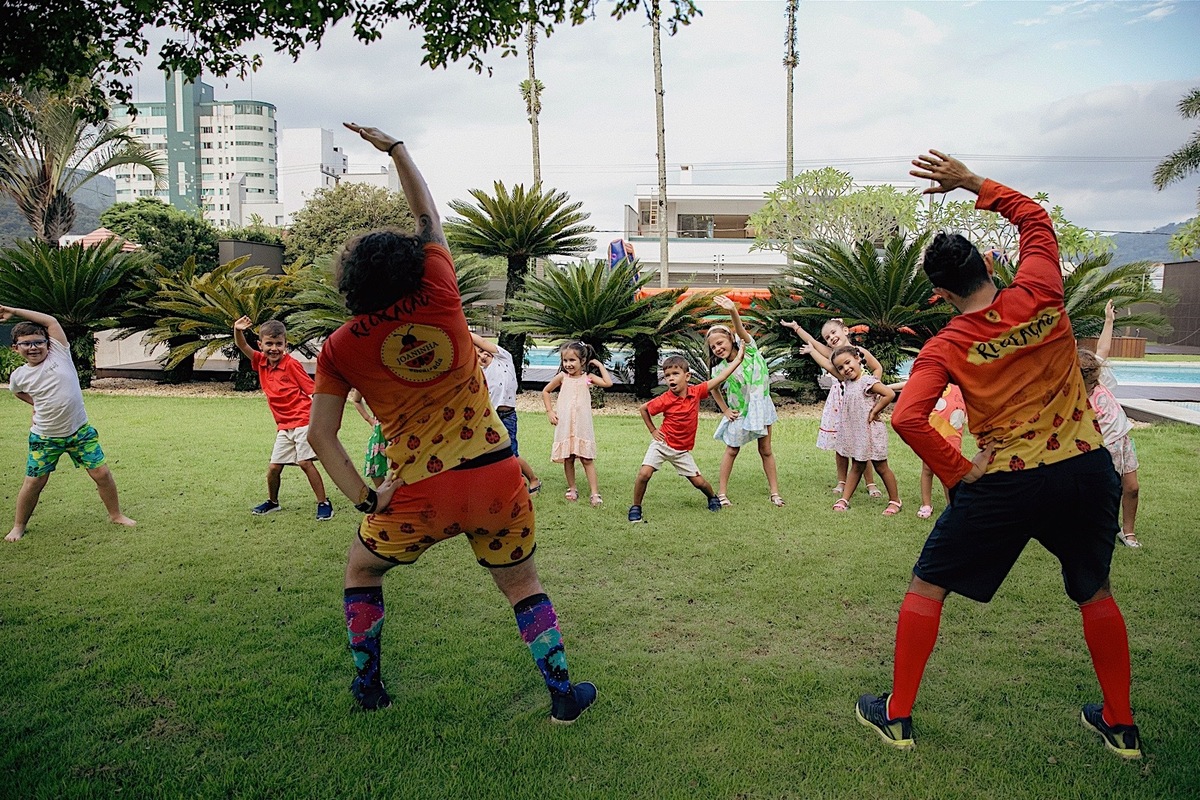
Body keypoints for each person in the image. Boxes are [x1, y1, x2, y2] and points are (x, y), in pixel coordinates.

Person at [854, 151, 1140, 760]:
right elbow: (1035, 218)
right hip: (1086, 469)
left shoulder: (947, 344)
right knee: (1096, 592)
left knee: (928, 586)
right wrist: (969, 182)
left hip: (1006, 480)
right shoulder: (1041, 289)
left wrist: (959, 473)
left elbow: (908, 417)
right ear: (988, 264)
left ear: (939, 294)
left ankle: (897, 715)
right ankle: (1120, 724)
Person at [305, 122, 596, 722]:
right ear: (412, 267)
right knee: (523, 586)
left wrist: (366, 498)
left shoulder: (338, 348)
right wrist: (397, 151)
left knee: (363, 570)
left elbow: (320, 436)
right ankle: (563, 697)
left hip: (418, 489)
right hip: (495, 475)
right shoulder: (439, 290)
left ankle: (368, 687)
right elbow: (429, 220)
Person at [3, 304, 136, 542]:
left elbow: (51, 321)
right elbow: (17, 392)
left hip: (80, 433)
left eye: (38, 342)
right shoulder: (19, 376)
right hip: (45, 437)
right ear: (15, 348)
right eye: (26, 344)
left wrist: (13, 311)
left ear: (48, 344)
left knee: (102, 474)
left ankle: (116, 515)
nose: (33, 347)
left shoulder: (59, 354)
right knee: (34, 482)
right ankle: (18, 525)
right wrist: (34, 403)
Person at [628, 347, 745, 523]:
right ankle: (636, 507)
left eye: (675, 374)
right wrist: (653, 430)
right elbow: (643, 409)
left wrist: (737, 360)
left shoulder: (696, 392)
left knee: (699, 483)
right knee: (644, 474)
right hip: (662, 444)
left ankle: (712, 497)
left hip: (682, 451)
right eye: (667, 376)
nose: (671, 378)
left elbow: (720, 378)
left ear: (687, 376)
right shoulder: (665, 399)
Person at [233, 316, 332, 520]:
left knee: (305, 462)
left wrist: (322, 420)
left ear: (286, 344)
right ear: (260, 345)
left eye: (279, 344)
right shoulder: (260, 361)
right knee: (274, 468)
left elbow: (312, 391)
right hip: (284, 426)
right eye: (269, 344)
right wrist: (237, 330)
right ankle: (273, 502)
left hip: (303, 420)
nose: (274, 348)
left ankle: (323, 503)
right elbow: (242, 345)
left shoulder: (292, 365)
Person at [782, 318, 884, 499]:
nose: (831, 338)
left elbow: (877, 368)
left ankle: (870, 482)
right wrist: (796, 328)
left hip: (862, 400)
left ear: (845, 331)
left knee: (862, 441)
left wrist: (872, 386)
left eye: (833, 333)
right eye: (827, 338)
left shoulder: (860, 353)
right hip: (841, 401)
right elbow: (814, 345)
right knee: (841, 441)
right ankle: (842, 481)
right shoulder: (832, 355)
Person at [804, 344, 902, 514]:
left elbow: (889, 393)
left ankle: (895, 500)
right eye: (841, 368)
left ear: (857, 359)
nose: (846, 369)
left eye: (848, 363)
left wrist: (875, 411)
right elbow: (828, 366)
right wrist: (812, 351)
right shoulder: (847, 382)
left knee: (881, 467)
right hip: (857, 433)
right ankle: (845, 499)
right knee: (857, 466)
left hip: (871, 433)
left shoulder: (867, 381)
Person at [707, 295, 783, 507]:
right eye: (713, 347)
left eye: (720, 343)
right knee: (732, 449)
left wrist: (733, 310)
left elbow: (740, 330)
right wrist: (725, 410)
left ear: (731, 339)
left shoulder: (748, 349)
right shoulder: (720, 368)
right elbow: (713, 389)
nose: (717, 348)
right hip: (740, 411)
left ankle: (775, 493)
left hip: (761, 408)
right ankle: (722, 493)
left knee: (765, 450)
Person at [1078, 300, 1141, 548]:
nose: (1097, 382)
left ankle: (1128, 532)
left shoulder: (1096, 374)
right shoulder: (1072, 396)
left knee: (1132, 488)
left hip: (1122, 440)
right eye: (1091, 380)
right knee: (1103, 493)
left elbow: (1103, 348)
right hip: (1101, 448)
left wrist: (1109, 320)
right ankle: (1092, 531)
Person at [542, 342, 614, 507]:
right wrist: (550, 411)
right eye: (565, 360)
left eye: (572, 360)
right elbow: (546, 391)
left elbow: (608, 383)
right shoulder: (562, 377)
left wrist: (599, 365)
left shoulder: (588, 378)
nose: (568, 364)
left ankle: (594, 492)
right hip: (565, 424)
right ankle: (572, 488)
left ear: (582, 361)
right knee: (568, 458)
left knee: (587, 459)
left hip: (582, 425)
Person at [471, 332, 541, 494]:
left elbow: (482, 341)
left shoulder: (503, 358)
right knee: (491, 454)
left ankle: (533, 479)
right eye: (477, 356)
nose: (482, 356)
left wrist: (461, 330)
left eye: (482, 351)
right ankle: (505, 483)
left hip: (507, 416)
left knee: (511, 454)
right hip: (491, 417)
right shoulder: (480, 373)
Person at [887, 381, 967, 519]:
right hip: (932, 432)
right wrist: (887, 387)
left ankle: (951, 505)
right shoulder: (934, 380)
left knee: (948, 470)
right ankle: (926, 504)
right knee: (927, 469)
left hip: (952, 434)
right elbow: (912, 383)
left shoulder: (960, 381)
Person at [348, 389, 387, 488]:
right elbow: (356, 400)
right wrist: (369, 419)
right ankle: (386, 493)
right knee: (374, 466)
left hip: (406, 427)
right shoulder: (370, 380)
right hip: (381, 430)